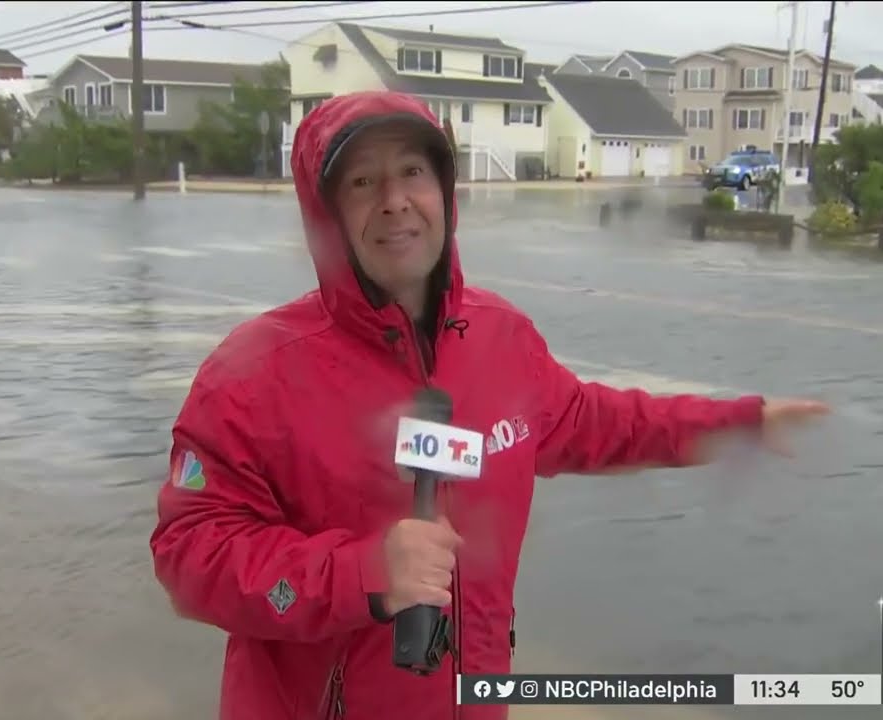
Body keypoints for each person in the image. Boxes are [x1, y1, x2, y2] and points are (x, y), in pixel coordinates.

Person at [149, 90, 829, 720]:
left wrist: (740, 421)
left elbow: (599, 422)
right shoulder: (252, 375)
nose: (394, 201)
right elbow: (190, 555)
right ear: (324, 213)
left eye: (412, 171)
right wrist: (361, 574)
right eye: (362, 182)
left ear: (445, 191)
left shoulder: (501, 339)